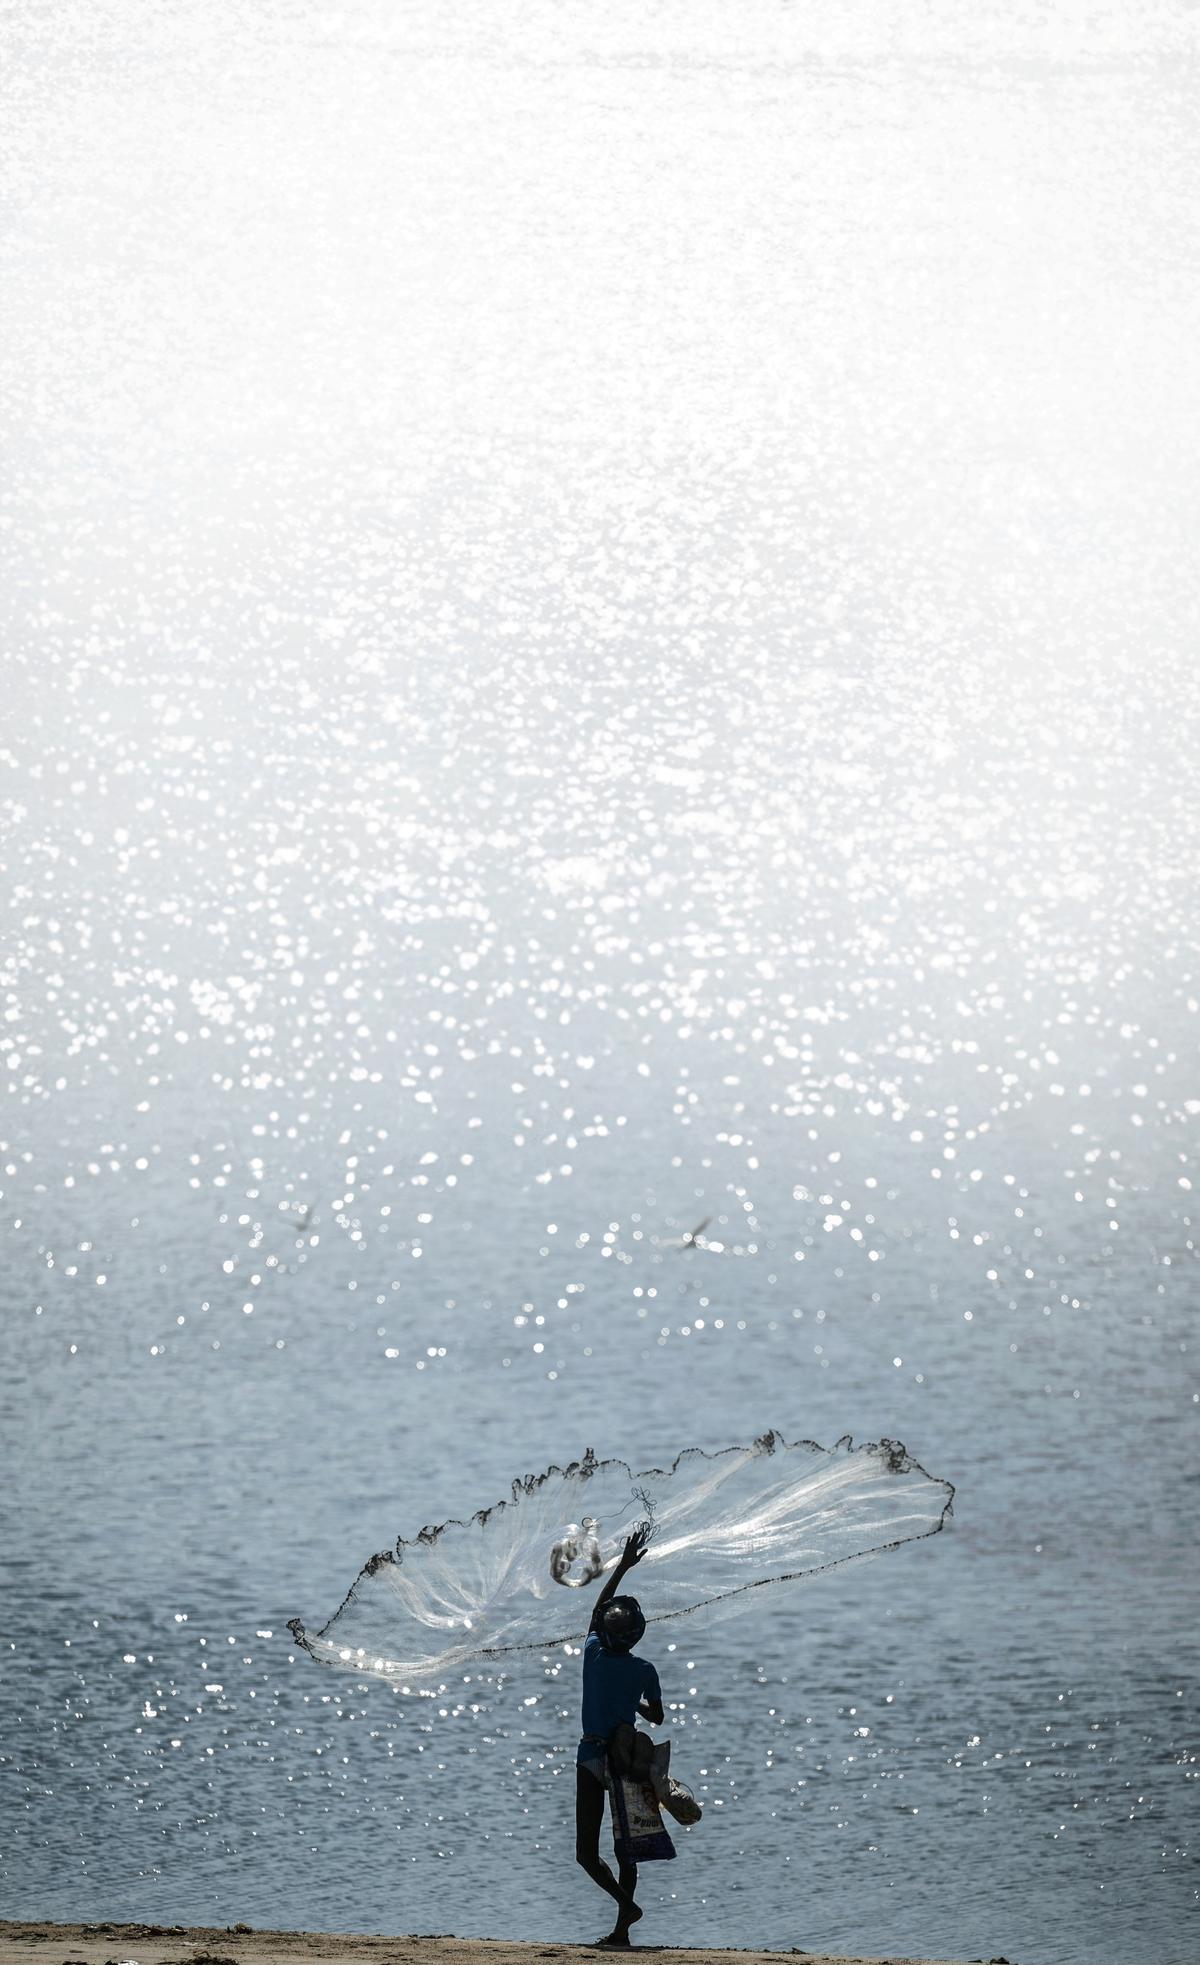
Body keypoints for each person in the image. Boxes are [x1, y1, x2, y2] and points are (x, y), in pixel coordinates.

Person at [575, 1526, 664, 1947]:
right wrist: (634, 1705)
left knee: (586, 1854)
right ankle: (621, 1932)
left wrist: (622, 1566)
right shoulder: (644, 1670)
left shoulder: (593, 1653)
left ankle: (623, 1907)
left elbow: (595, 1612)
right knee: (627, 1848)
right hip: (626, 1761)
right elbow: (658, 1717)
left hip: (593, 1757)